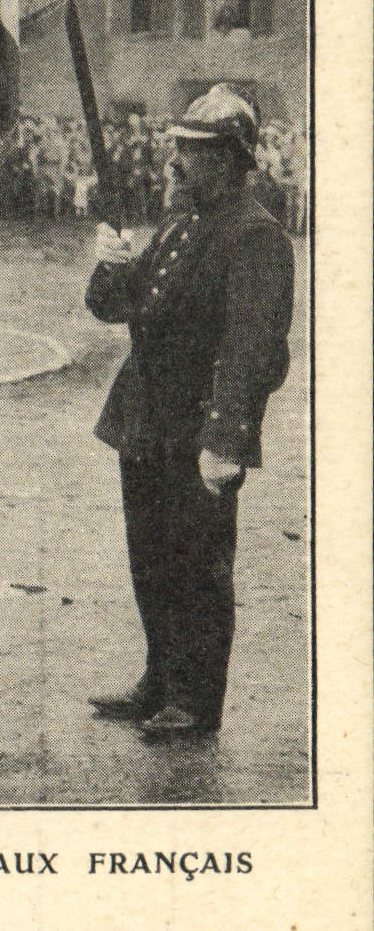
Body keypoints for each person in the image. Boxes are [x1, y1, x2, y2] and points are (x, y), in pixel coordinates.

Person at [85, 85, 294, 737]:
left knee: (197, 565)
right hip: (145, 417)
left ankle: (195, 699)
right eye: (177, 147)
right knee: (148, 555)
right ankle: (159, 678)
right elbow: (120, 306)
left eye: (191, 151)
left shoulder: (254, 235)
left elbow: (251, 348)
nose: (175, 161)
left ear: (230, 159)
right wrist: (111, 265)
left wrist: (225, 438)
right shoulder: (181, 221)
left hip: (195, 422)